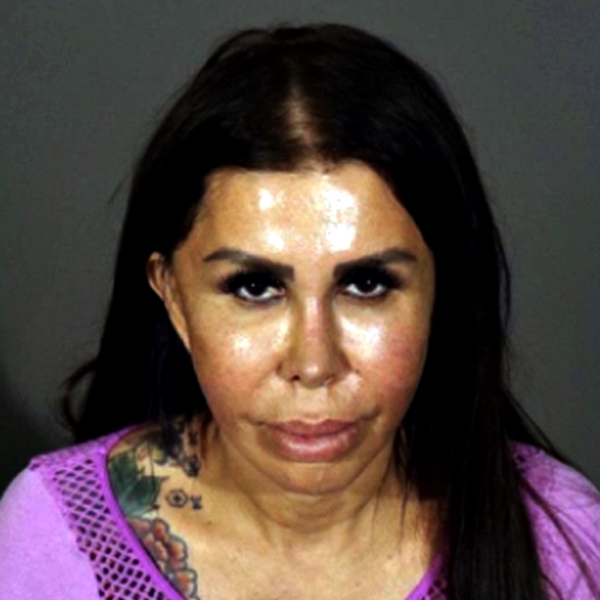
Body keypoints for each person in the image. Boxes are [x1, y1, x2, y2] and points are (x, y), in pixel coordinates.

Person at [0, 23, 598, 600]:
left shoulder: (564, 542)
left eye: (366, 283)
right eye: (255, 287)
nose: (314, 364)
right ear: (174, 297)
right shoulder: (51, 538)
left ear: (442, 292)